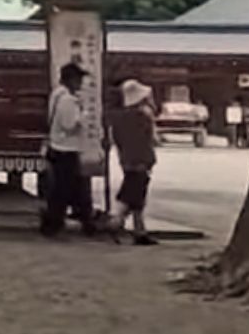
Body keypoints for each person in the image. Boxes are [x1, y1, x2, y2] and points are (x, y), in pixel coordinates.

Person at [39, 61, 99, 238]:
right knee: (65, 189)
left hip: (57, 146)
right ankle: (56, 223)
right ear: (71, 79)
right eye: (79, 78)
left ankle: (67, 221)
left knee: (65, 188)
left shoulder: (57, 95)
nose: (80, 83)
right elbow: (69, 124)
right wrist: (83, 115)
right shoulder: (67, 100)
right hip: (66, 149)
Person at [105, 79, 159, 246]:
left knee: (134, 192)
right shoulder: (143, 116)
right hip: (141, 159)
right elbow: (149, 140)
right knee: (134, 194)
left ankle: (139, 230)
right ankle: (116, 221)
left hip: (126, 158)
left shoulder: (119, 118)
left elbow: (117, 139)